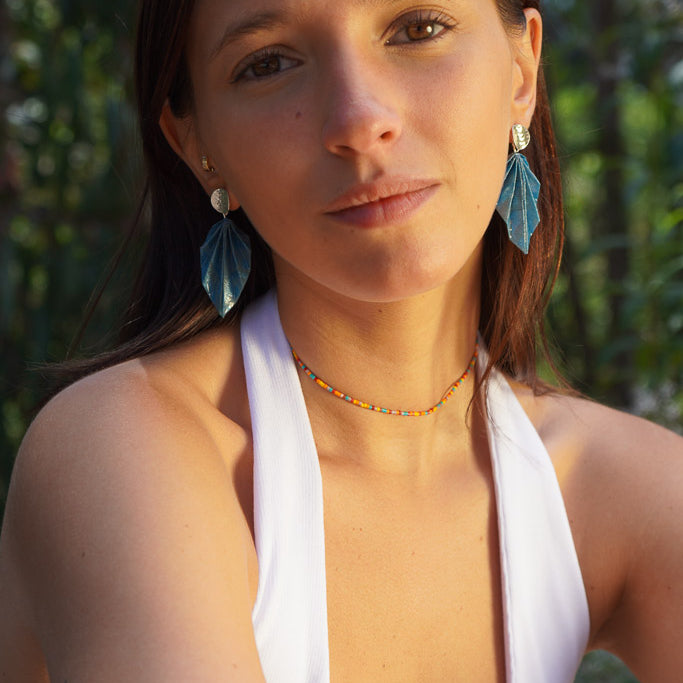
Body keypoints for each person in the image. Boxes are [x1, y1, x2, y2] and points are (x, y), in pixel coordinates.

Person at [0, 0, 681, 680]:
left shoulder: (617, 484)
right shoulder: (125, 448)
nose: (359, 120)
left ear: (521, 73)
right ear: (197, 146)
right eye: (267, 64)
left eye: (418, 29)